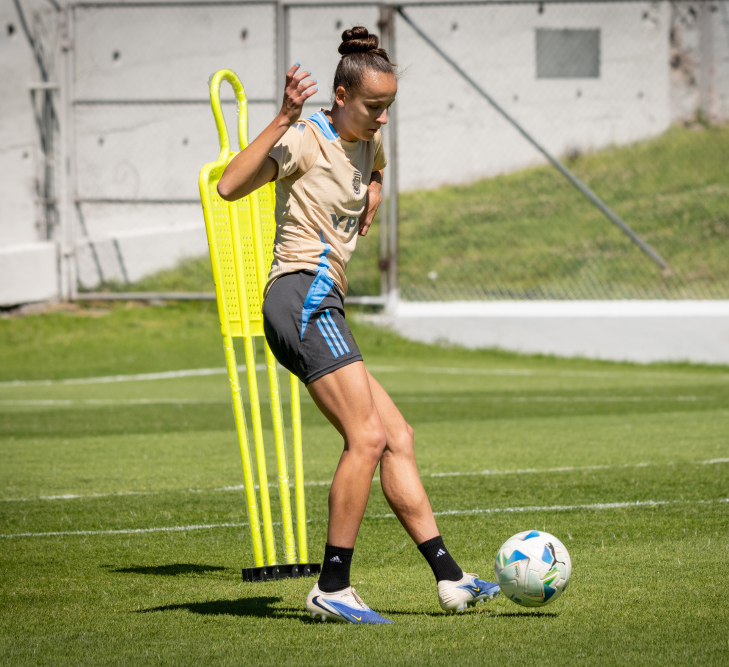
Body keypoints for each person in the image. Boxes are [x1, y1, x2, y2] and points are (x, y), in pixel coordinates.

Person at [217, 26, 499, 624]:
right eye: (373, 107)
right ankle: (332, 586)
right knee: (367, 438)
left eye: (389, 108)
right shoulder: (309, 137)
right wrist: (283, 116)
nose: (382, 119)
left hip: (325, 302)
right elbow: (229, 185)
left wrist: (373, 188)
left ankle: (450, 579)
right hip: (300, 295)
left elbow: (373, 167)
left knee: (397, 435)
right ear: (340, 97)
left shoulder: (369, 143)